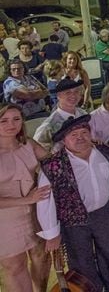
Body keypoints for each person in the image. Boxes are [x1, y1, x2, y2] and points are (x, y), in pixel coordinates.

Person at [37, 115, 109, 291]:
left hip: (104, 213)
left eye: (84, 132)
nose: (80, 137)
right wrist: (52, 233)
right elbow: (45, 200)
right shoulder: (53, 165)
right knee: (81, 259)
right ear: (64, 140)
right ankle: (89, 289)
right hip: (72, 222)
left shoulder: (106, 153)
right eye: (74, 135)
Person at [0, 103, 51, 292]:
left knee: (41, 257)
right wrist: (27, 199)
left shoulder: (28, 143)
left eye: (16, 119)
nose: (10, 124)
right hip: (6, 219)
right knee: (15, 266)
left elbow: (53, 162)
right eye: (3, 120)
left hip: (36, 211)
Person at [33, 78, 88, 150]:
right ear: (58, 96)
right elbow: (37, 149)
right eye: (68, 92)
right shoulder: (49, 125)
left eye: (76, 91)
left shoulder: (83, 114)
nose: (73, 95)